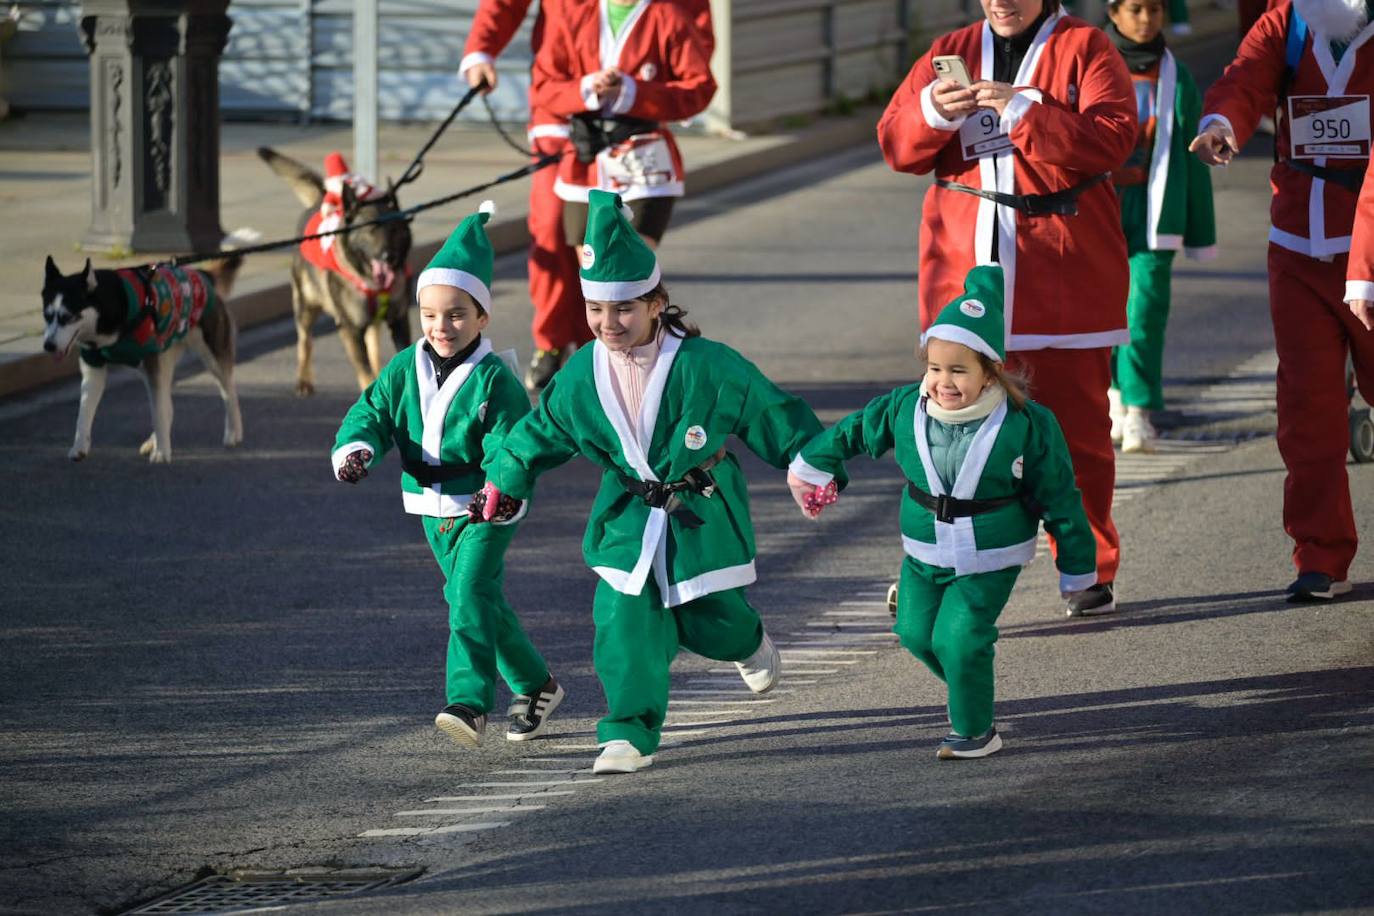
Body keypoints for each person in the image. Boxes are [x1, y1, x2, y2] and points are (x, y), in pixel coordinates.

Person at [472, 189, 839, 775]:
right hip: (629, 514)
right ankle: (627, 732)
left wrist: (809, 463)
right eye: (595, 310)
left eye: (623, 309)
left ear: (656, 303)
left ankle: (748, 641)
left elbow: (771, 412)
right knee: (621, 618)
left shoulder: (708, 365)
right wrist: (504, 477)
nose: (607, 323)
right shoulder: (579, 376)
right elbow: (539, 432)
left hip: (701, 508)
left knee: (710, 618)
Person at [877, 0, 1136, 616]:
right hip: (962, 264)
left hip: (1064, 263)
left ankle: (1087, 566)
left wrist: (1021, 110)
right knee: (946, 429)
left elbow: (1113, 140)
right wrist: (933, 112)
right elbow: (895, 144)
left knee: (1077, 434)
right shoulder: (953, 48)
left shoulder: (1088, 48)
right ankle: (934, 562)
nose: (1001, 1)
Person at [787, 266, 1097, 760]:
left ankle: (975, 730)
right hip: (923, 551)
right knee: (913, 633)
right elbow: (851, 432)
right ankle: (971, 695)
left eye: (958, 370)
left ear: (990, 372)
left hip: (989, 555)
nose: (942, 382)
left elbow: (1060, 496)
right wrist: (813, 464)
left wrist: (1077, 567)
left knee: (960, 638)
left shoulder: (1027, 424)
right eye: (934, 368)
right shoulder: (905, 407)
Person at [330, 202, 565, 746]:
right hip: (431, 511)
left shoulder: (495, 380)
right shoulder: (403, 367)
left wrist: (502, 489)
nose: (442, 326)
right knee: (476, 598)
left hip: (487, 505)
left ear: (483, 317)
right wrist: (357, 448)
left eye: (457, 314)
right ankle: (537, 685)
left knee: (467, 594)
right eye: (431, 314)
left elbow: (513, 442)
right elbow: (373, 412)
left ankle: (468, 703)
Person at [1191, 0, 1373, 602]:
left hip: (1370, 248)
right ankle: (1320, 555)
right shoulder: (1288, 20)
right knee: (1307, 409)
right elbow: (1244, 77)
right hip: (1298, 247)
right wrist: (1222, 124)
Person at [458, 0, 713, 396]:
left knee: (619, 268)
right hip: (563, 102)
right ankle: (554, 340)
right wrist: (482, 50)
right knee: (550, 226)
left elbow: (694, 67)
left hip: (632, 129)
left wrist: (649, 86)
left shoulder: (664, 16)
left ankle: (623, 358)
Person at [1104, 0, 1217, 453]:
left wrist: (1197, 223)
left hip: (1154, 206)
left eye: (1154, 9)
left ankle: (1139, 410)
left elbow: (1194, 159)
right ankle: (1111, 396)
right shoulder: (1091, 65)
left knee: (1144, 311)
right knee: (1100, 311)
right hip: (1099, 207)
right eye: (1135, 9)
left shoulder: (1178, 76)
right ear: (1113, 14)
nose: (1146, 19)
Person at [531, 0, 716, 257]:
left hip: (644, 162)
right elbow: (544, 87)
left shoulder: (667, 15)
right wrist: (587, 86)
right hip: (585, 161)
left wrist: (632, 92)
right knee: (594, 274)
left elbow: (700, 88)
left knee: (628, 268)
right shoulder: (575, 15)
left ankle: (646, 296)